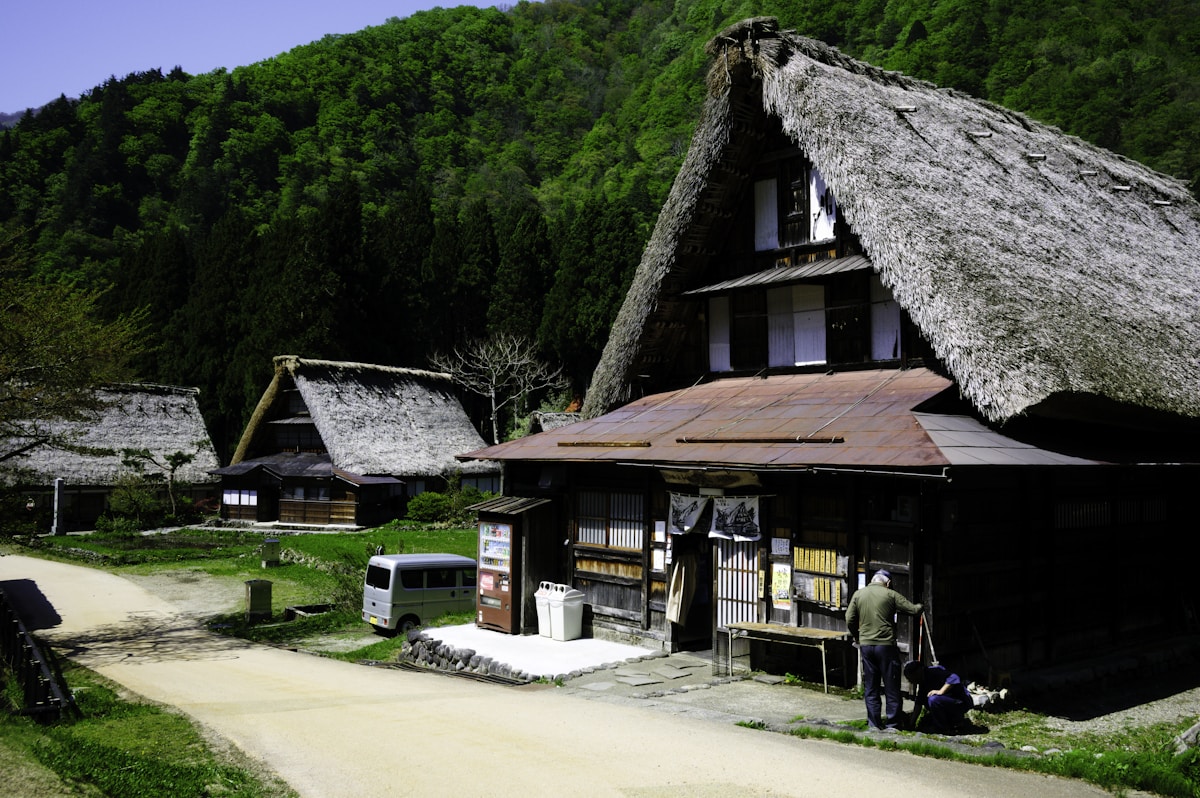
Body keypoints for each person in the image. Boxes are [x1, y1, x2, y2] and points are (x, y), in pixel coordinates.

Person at [844, 569, 923, 731]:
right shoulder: (890, 594)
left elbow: (849, 618)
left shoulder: (859, 594)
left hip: (866, 645)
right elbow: (913, 610)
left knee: (871, 686)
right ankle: (892, 724)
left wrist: (857, 635)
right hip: (886, 646)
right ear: (887, 583)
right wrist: (922, 605)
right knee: (891, 685)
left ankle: (874, 723)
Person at [903, 660, 971, 733]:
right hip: (948, 702)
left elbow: (954, 677)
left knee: (933, 699)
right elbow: (918, 704)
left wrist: (941, 691)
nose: (910, 681)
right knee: (928, 701)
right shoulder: (923, 682)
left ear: (918, 672)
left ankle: (942, 728)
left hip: (960, 702)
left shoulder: (934, 671)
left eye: (910, 678)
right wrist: (911, 724)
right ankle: (950, 723)